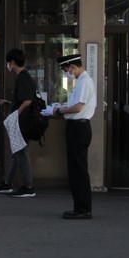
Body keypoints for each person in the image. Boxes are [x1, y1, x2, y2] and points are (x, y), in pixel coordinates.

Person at [52, 54, 96, 219]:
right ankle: (80, 206)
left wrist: (59, 110)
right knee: (76, 169)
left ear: (72, 66)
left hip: (79, 129)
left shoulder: (84, 82)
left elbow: (78, 108)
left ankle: (83, 209)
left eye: (66, 70)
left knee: (78, 171)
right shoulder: (81, 82)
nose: (66, 74)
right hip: (77, 128)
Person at [0, 48, 37, 197]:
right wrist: (10, 103)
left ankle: (28, 187)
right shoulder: (25, 77)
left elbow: (28, 100)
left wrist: (16, 114)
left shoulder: (22, 77)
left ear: (12, 62)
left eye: (8, 63)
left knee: (21, 152)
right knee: (17, 152)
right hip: (24, 119)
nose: (8, 66)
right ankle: (7, 183)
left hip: (23, 120)